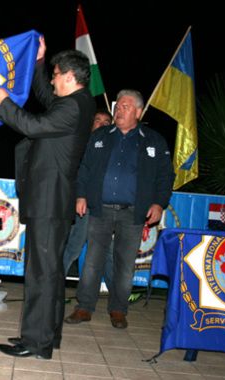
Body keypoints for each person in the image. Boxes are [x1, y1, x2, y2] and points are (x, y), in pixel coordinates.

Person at [0, 37, 95, 360]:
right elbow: (47, 97)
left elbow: (33, 126)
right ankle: (46, 335)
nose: (52, 79)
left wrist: (4, 102)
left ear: (70, 78)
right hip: (51, 200)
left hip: (50, 200)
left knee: (42, 274)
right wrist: (38, 62)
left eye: (55, 73)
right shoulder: (77, 101)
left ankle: (36, 343)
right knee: (48, 272)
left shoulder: (74, 106)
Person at [65, 89, 174, 329]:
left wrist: (158, 203)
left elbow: (166, 176)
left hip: (133, 212)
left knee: (124, 264)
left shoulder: (153, 140)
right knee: (93, 260)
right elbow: (85, 169)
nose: (118, 110)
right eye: (118, 106)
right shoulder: (100, 136)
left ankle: (118, 310)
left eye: (125, 107)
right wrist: (81, 196)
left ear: (138, 111)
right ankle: (84, 307)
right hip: (99, 209)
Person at [63, 109, 114, 288]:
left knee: (107, 249)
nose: (100, 124)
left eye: (106, 122)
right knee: (74, 246)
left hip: (103, 206)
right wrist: (79, 196)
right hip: (82, 203)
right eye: (97, 120)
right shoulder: (79, 143)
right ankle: (53, 285)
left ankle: (117, 294)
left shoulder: (113, 147)